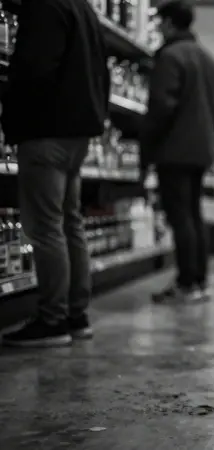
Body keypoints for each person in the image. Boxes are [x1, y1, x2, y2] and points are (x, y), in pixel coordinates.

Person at [0, 0, 109, 347]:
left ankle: (52, 319)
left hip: (46, 128)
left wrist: (11, 108)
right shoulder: (85, 9)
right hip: (78, 132)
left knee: (45, 225)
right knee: (68, 220)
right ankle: (76, 314)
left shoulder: (46, 6)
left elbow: (33, 68)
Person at [140, 0, 214, 303]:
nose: (158, 27)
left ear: (170, 23)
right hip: (200, 150)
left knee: (180, 216)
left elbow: (162, 107)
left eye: (160, 21)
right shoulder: (209, 61)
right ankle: (198, 280)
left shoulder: (171, 56)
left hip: (174, 150)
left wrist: (147, 144)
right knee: (193, 213)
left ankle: (187, 282)